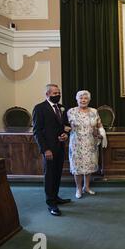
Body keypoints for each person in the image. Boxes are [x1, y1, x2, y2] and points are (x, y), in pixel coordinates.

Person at [32, 84, 71, 217]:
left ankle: (56, 197)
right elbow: (37, 131)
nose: (57, 95)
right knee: (49, 176)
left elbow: (65, 125)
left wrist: (66, 135)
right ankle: (51, 203)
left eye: (58, 93)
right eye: (54, 93)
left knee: (57, 174)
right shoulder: (39, 108)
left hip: (60, 147)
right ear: (47, 94)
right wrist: (45, 149)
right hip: (49, 149)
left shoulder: (61, 107)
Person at [67, 90, 107, 199]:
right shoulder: (71, 111)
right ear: (77, 99)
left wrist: (101, 135)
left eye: (85, 98)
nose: (83, 100)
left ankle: (87, 187)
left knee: (89, 165)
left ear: (89, 100)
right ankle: (78, 189)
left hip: (90, 142)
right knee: (77, 166)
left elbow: (99, 125)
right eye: (81, 98)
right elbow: (70, 126)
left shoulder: (94, 111)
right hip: (77, 143)